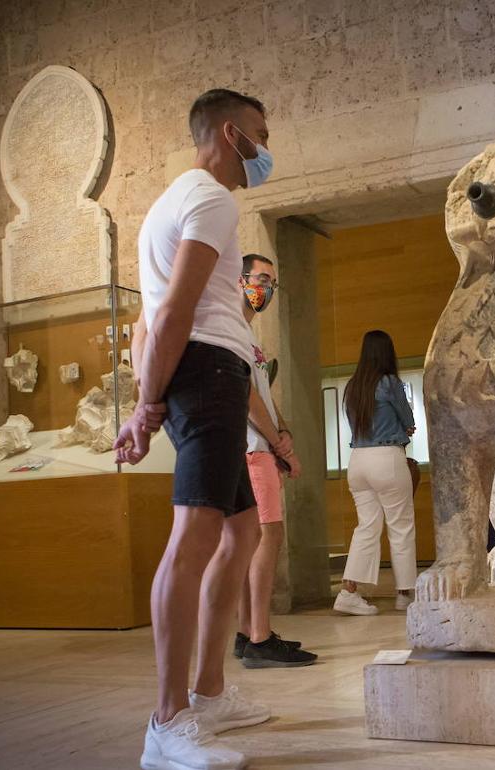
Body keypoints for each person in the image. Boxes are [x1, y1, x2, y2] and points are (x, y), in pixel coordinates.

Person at [116, 88, 275, 770]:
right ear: (231, 133)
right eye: (261, 135)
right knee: (194, 538)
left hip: (206, 374)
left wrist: (147, 397)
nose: (265, 150)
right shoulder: (211, 198)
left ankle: (208, 694)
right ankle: (167, 720)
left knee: (241, 530)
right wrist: (146, 406)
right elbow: (174, 313)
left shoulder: (171, 200)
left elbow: (147, 323)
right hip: (207, 372)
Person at [231, 253, 318, 669]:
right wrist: (276, 443)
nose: (266, 289)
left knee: (252, 540)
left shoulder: (248, 335)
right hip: (251, 448)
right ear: (240, 279)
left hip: (259, 445)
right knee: (269, 536)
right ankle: (260, 636)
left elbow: (263, 394)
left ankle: (247, 632)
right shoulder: (232, 327)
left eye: (271, 283)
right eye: (261, 279)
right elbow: (247, 398)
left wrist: (283, 433)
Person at [334, 330, 418, 616]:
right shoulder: (390, 382)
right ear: (387, 352)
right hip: (387, 458)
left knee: (366, 527)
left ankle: (348, 593)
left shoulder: (352, 386)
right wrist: (405, 427)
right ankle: (404, 595)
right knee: (401, 526)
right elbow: (408, 418)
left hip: (358, 460)